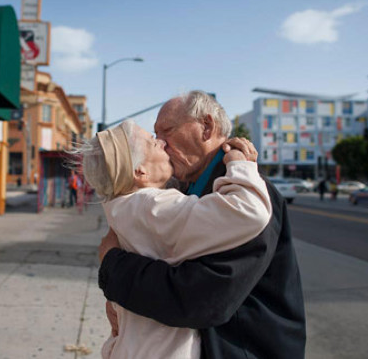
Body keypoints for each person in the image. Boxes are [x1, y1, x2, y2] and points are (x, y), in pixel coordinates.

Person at [98, 91, 306, 359]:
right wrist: (119, 305)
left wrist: (113, 266)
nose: (160, 143)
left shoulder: (250, 195)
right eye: (155, 136)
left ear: (206, 127)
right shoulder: (185, 190)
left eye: (167, 131)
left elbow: (200, 299)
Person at [79, 120, 271, 358]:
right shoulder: (152, 205)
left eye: (165, 132)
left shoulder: (121, 207)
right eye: (153, 141)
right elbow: (248, 211)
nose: (162, 142)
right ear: (140, 171)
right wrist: (240, 164)